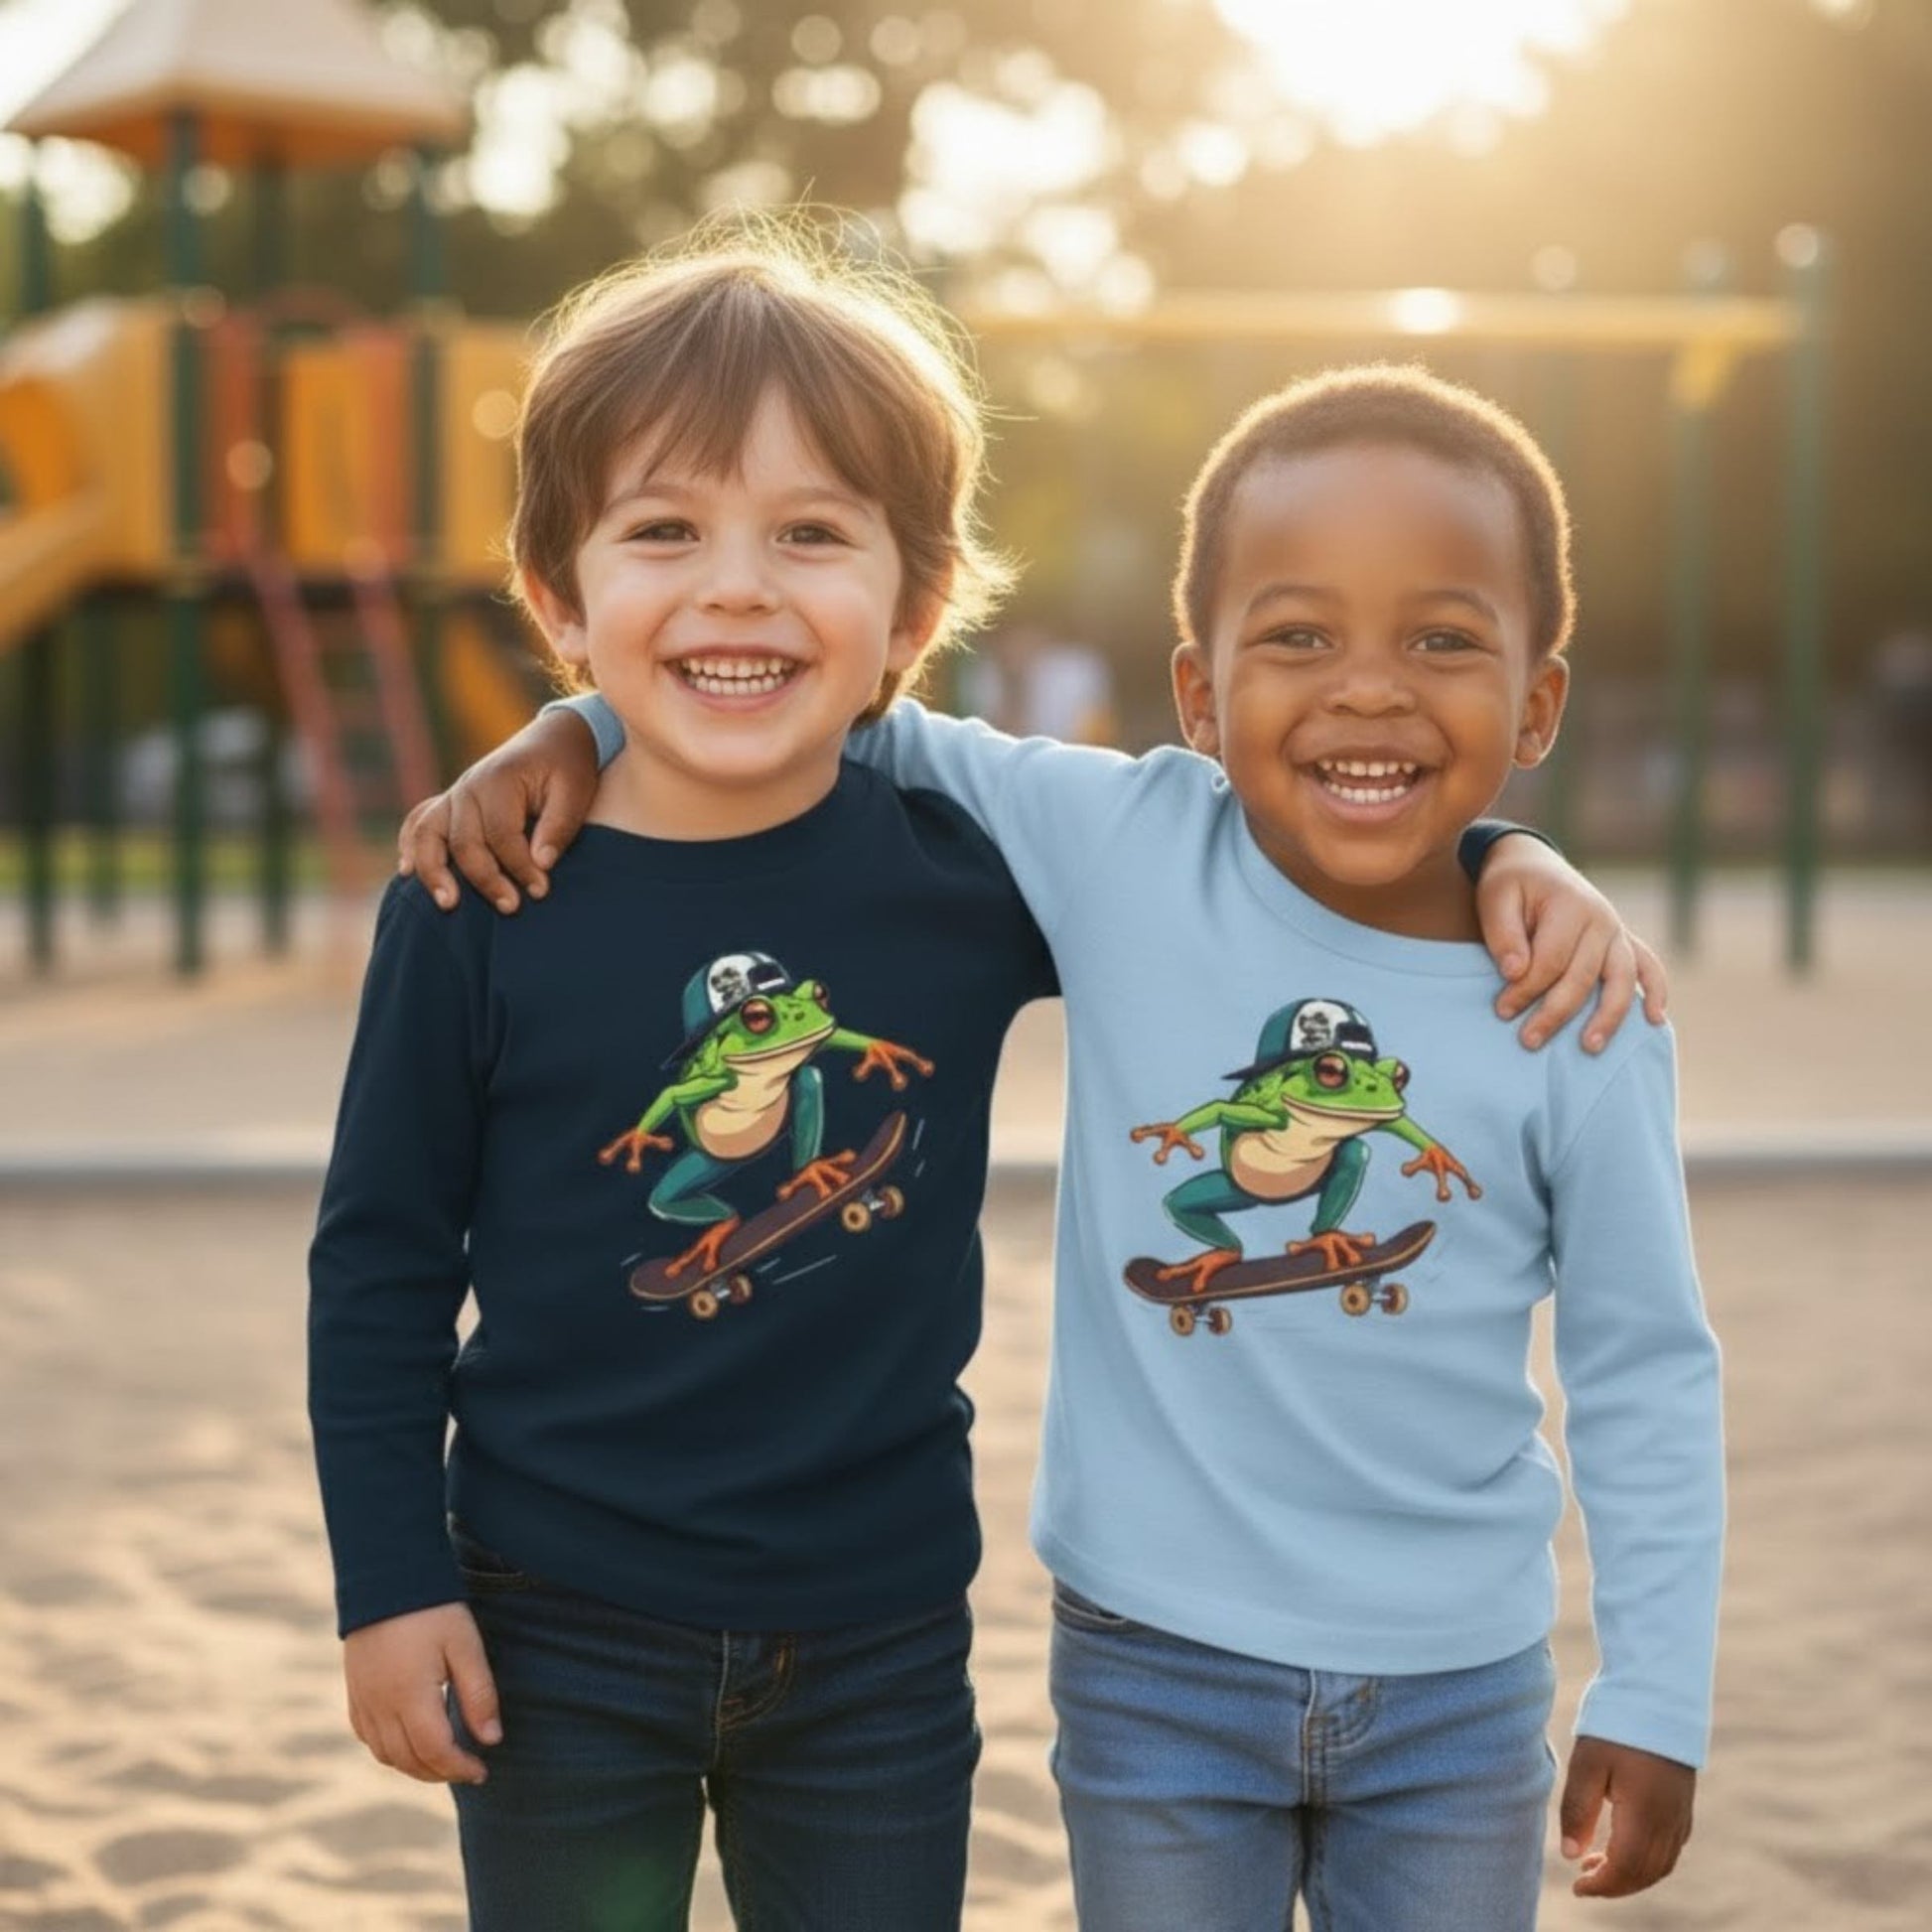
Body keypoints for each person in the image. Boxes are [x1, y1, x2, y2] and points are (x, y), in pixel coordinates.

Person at [403, 359, 1714, 1931]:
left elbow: (1645, 1364)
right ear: (1199, 692)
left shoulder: (1576, 1004)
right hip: (1153, 1659)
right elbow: (811, 696)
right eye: (1297, 635)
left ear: (1539, 699)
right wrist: (572, 724)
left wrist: (1656, 1688)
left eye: (1442, 640)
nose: (1368, 688)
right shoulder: (1123, 844)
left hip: (1462, 1681)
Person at [308, 226, 1063, 1930]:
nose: (736, 585)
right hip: (546, 1615)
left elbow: (1254, 873)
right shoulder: (474, 902)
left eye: (810, 533)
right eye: (665, 531)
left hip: (877, 1629)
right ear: (560, 600)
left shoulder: (975, 878)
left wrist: (1500, 850)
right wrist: (388, 1581)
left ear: (912, 606)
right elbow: (379, 1265)